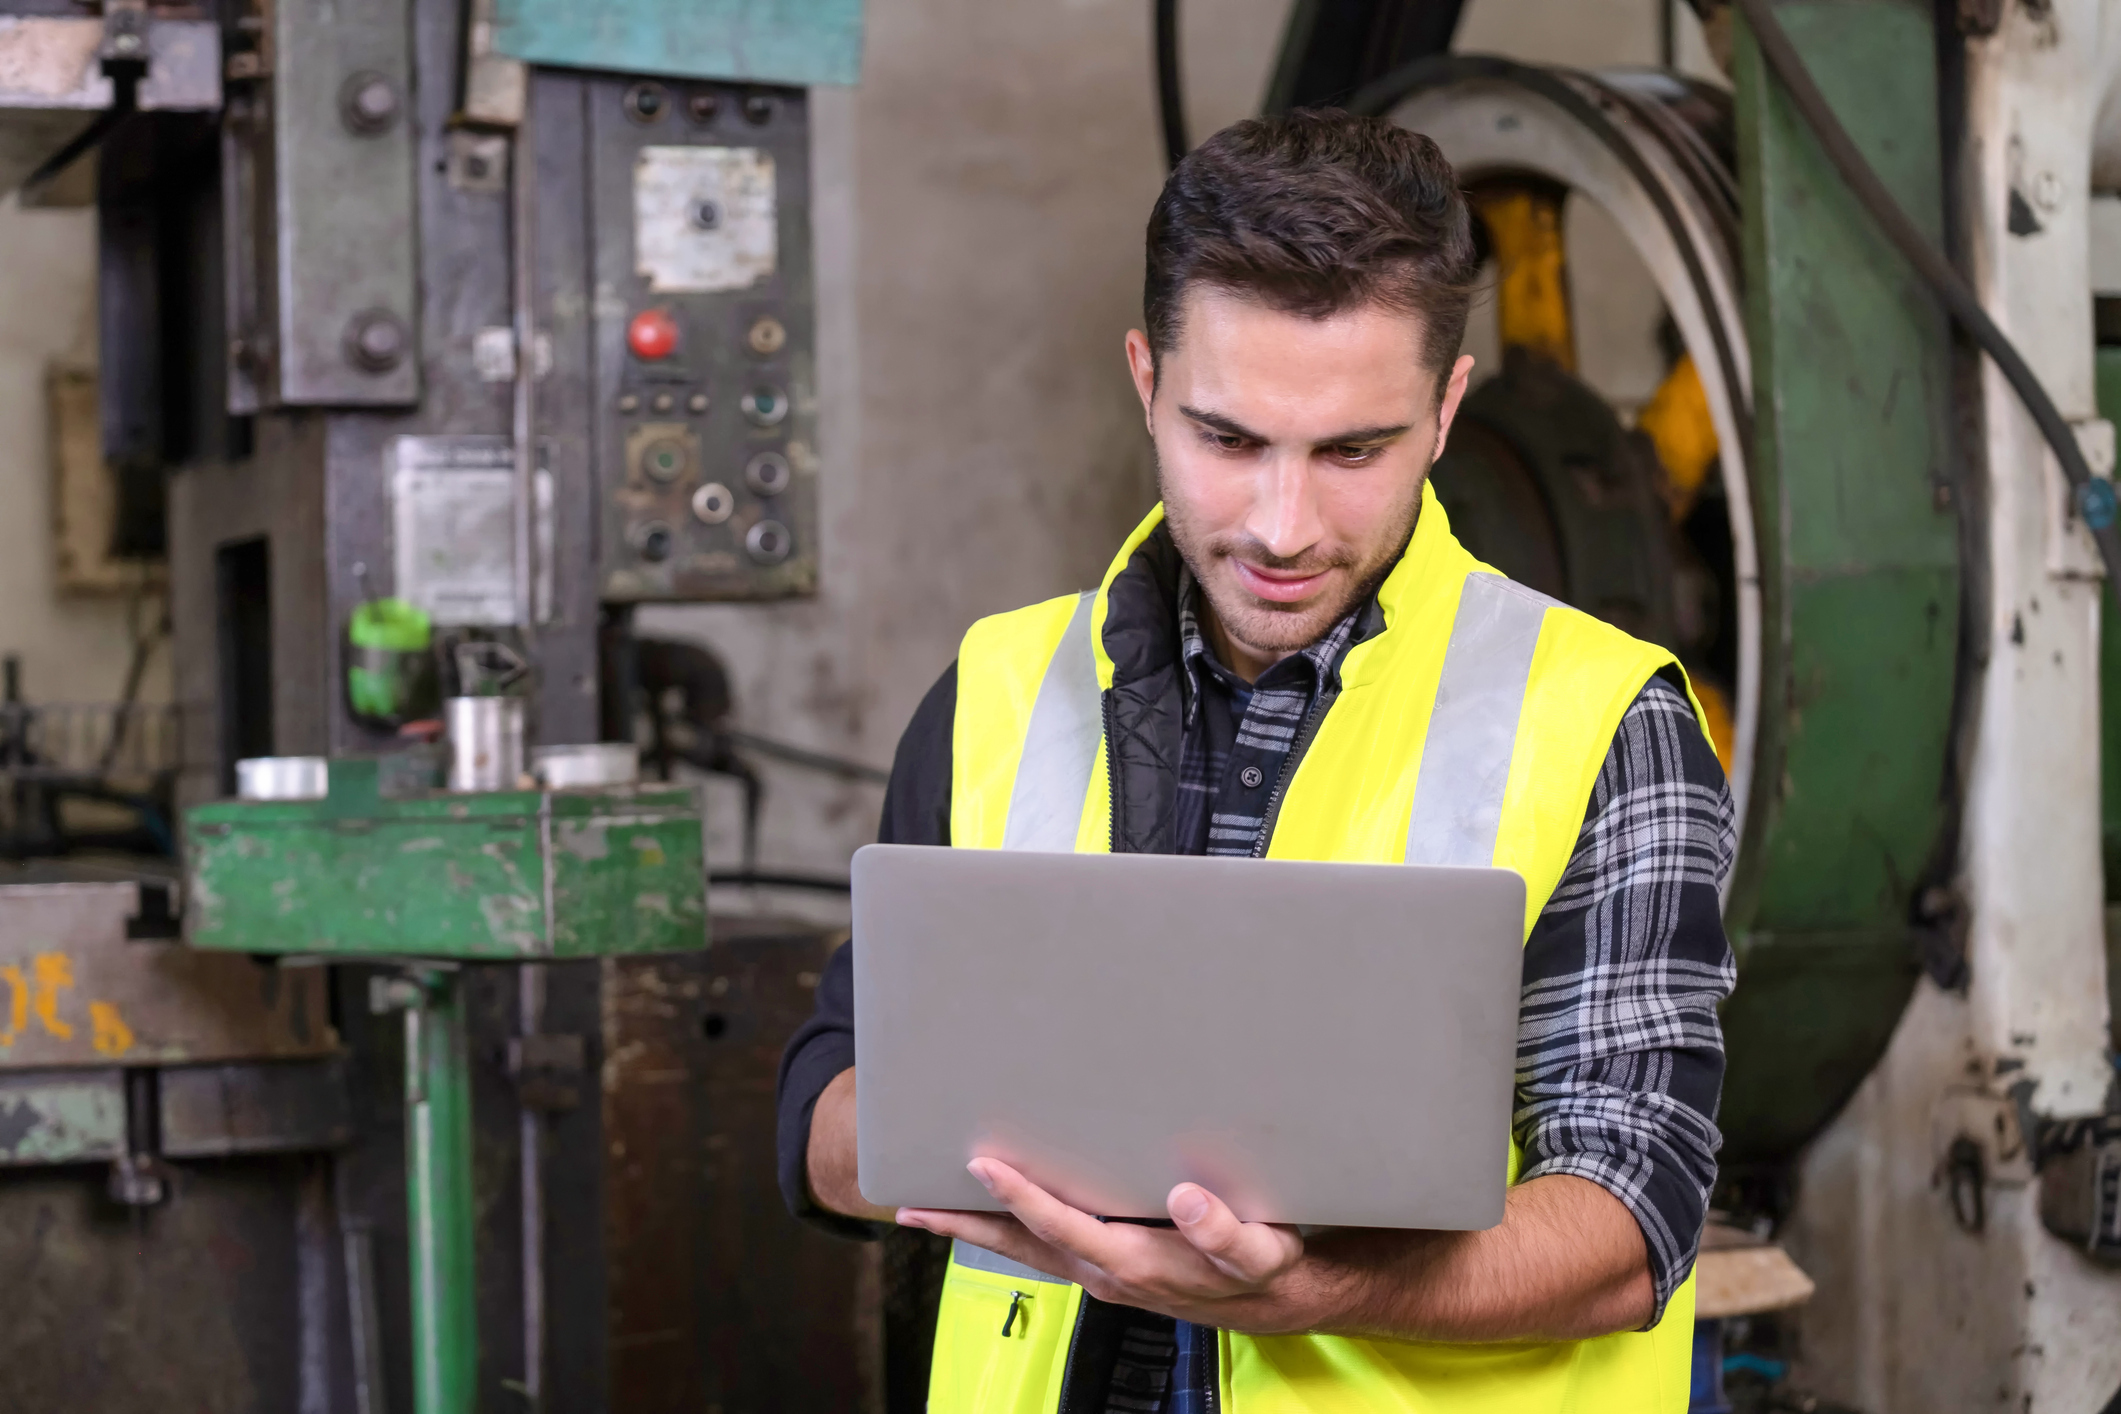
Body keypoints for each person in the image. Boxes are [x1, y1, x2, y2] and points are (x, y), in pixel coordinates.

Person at [776, 109, 1735, 1413]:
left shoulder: (1605, 718)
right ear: (1144, 379)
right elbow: (830, 1111)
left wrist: (1311, 1292)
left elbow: (1631, 1214)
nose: (1282, 525)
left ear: (1447, 409)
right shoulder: (1000, 688)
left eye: (1351, 450)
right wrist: (963, 1166)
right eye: (1226, 440)